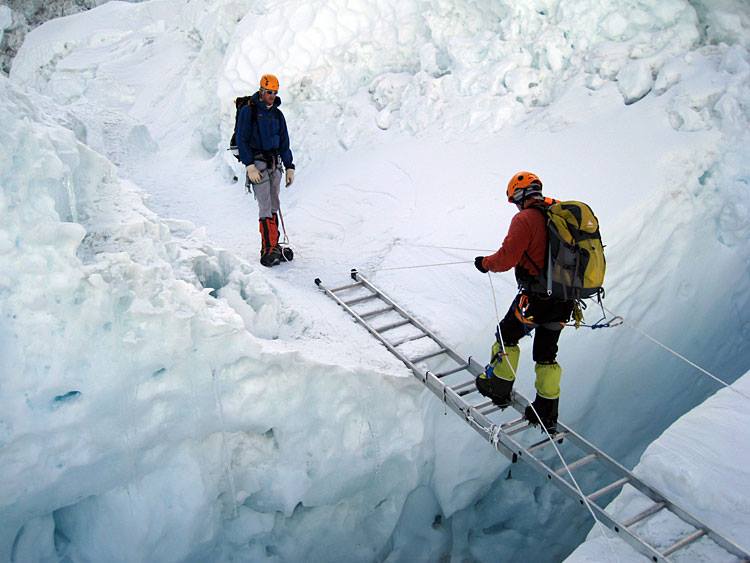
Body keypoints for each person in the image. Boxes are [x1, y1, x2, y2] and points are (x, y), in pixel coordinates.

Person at [473, 171, 574, 432]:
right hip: (565, 300)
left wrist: (485, 264)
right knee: (546, 353)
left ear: (519, 196)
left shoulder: (525, 219)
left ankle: (499, 386)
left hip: (536, 300)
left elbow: (507, 258)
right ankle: (547, 409)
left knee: (506, 334)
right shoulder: (557, 215)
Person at [235, 73, 295, 267]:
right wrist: (249, 164)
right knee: (265, 204)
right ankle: (267, 248)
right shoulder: (248, 112)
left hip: (274, 163)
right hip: (258, 163)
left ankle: (274, 245)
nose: (271, 95)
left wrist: (289, 166)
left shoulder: (277, 114)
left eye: (274, 92)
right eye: (269, 92)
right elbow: (242, 139)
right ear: (261, 91)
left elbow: (284, 142)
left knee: (274, 203)